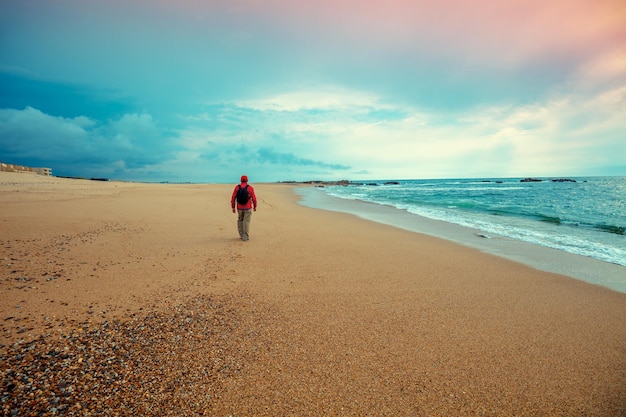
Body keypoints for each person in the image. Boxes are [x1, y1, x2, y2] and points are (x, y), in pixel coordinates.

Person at [231, 175, 257, 241]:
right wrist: (255, 206)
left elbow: (233, 198)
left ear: (240, 180)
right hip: (248, 208)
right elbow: (254, 198)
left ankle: (241, 235)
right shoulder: (250, 188)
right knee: (246, 222)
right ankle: (245, 237)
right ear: (247, 180)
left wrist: (233, 207)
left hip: (239, 208)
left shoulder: (237, 187)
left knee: (240, 220)